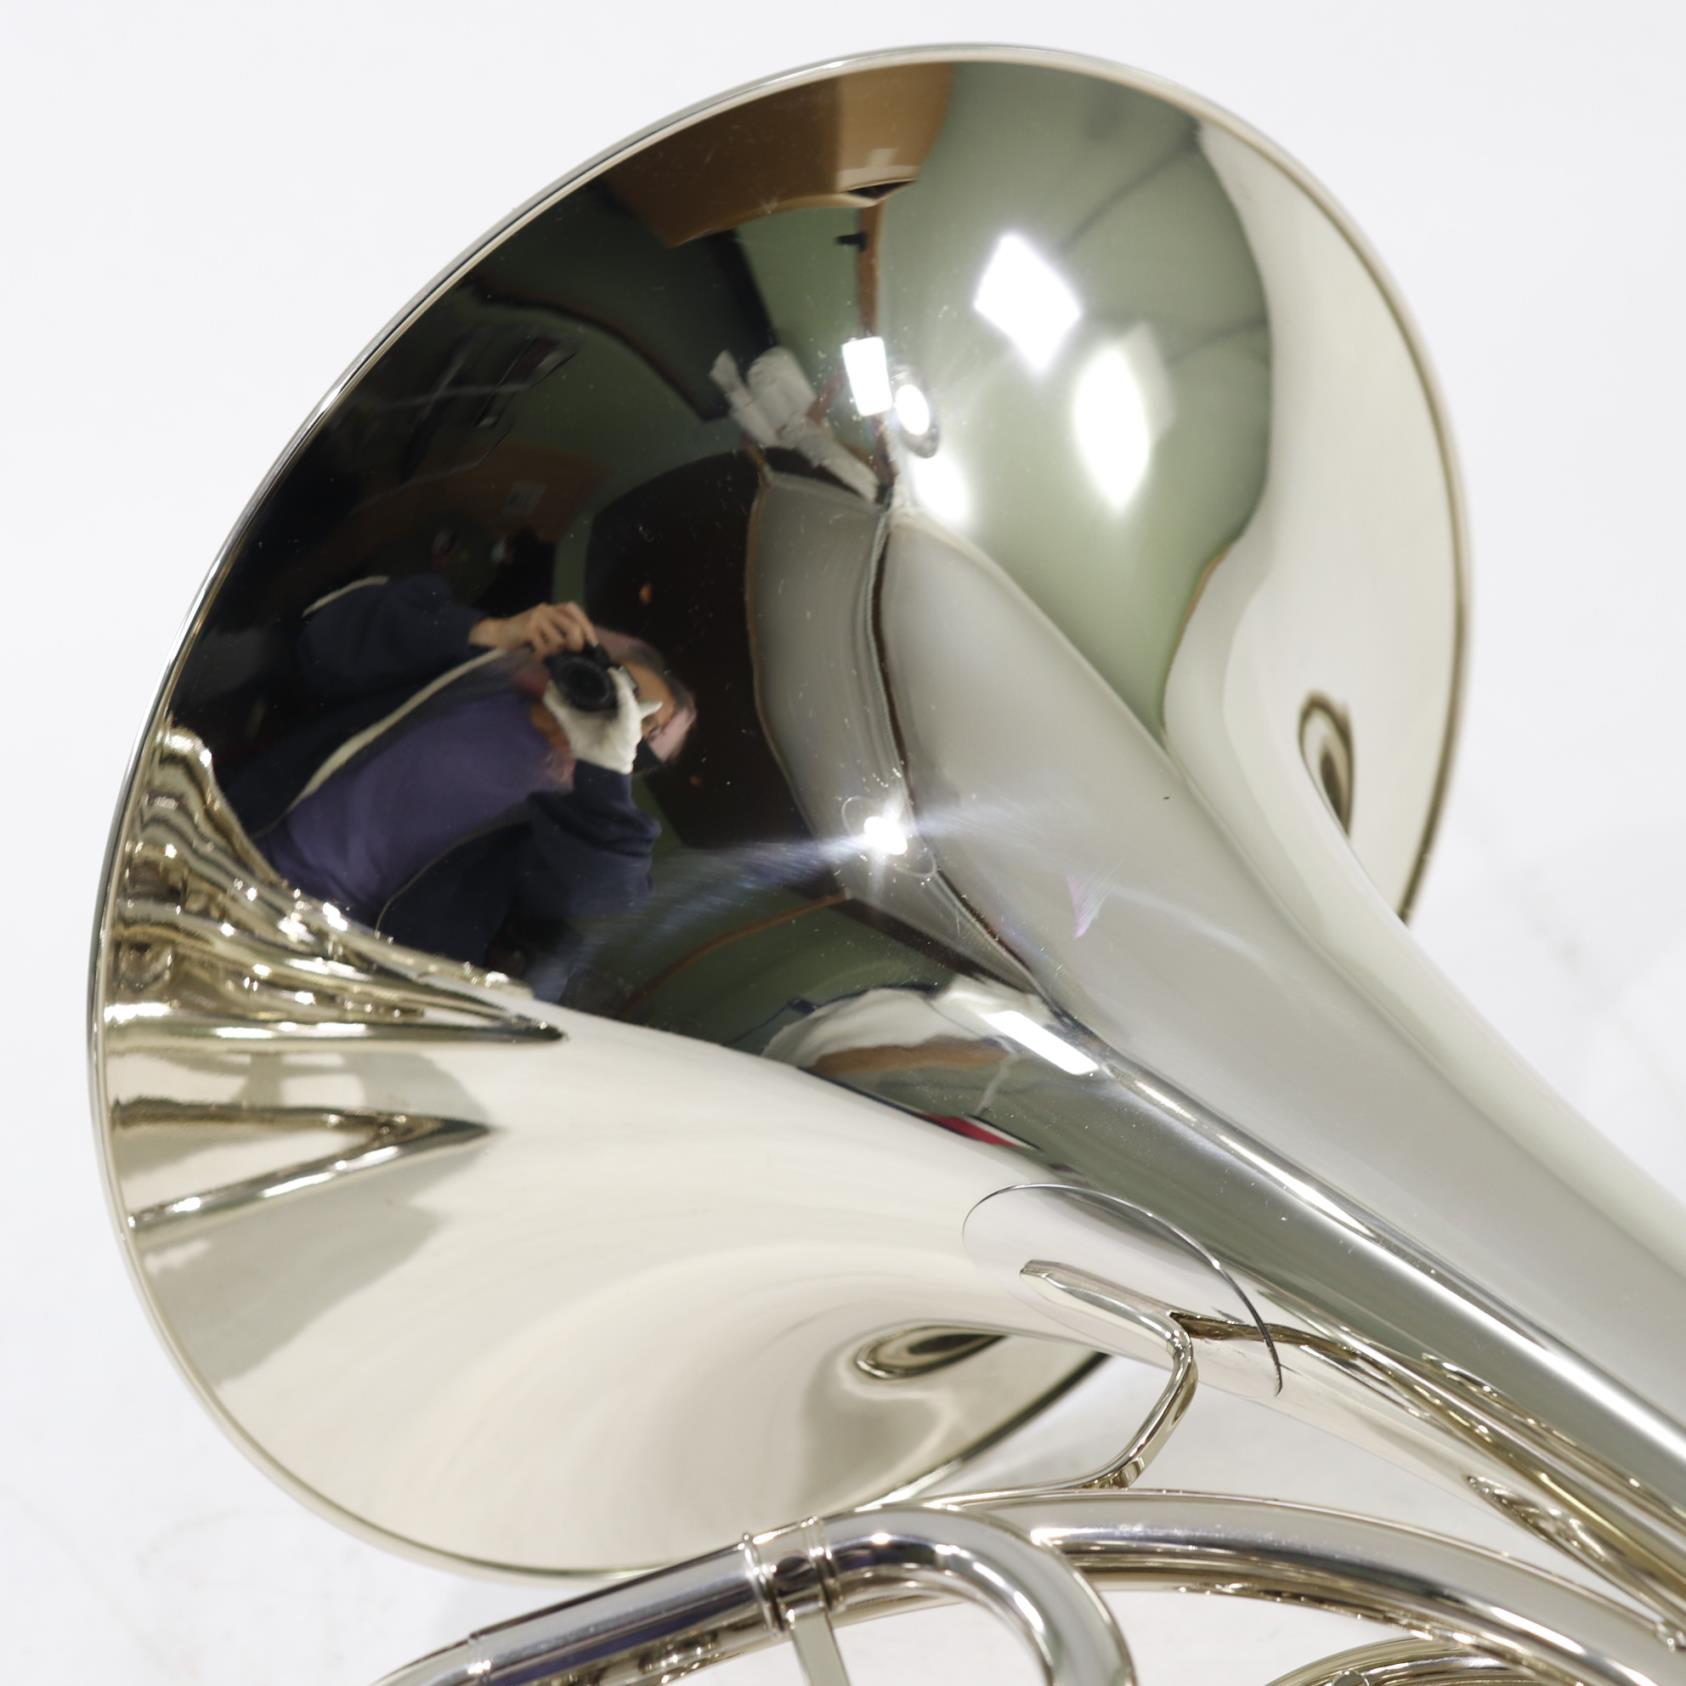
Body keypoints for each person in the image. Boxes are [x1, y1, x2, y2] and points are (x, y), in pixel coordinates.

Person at [232, 572, 694, 996]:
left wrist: (604, 770)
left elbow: (608, 895)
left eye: (640, 727)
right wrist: (487, 633)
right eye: (620, 692)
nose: (618, 716)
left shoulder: (568, 822)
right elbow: (322, 644)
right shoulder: (483, 676)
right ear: (594, 664)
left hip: (327, 956)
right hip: (238, 847)